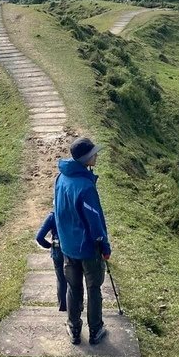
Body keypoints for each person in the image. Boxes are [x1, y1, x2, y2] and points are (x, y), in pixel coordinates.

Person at [54, 135, 111, 345]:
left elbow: (57, 212)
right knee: (93, 288)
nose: (96, 155)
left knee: (73, 287)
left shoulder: (61, 178)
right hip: (88, 248)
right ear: (86, 159)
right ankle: (95, 330)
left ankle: (73, 327)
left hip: (68, 246)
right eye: (93, 153)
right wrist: (104, 246)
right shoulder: (86, 188)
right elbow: (95, 222)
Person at [35, 210, 67, 311]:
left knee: (61, 278)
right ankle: (76, 306)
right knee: (74, 278)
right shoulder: (74, 212)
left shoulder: (52, 216)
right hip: (72, 250)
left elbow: (39, 237)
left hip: (57, 250)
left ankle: (63, 306)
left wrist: (49, 245)